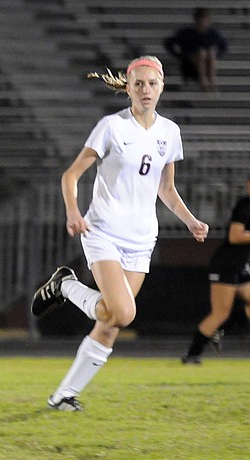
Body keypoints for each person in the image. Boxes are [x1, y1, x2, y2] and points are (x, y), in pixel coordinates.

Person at [30, 55, 209, 411]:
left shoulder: (169, 132)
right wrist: (73, 211)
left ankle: (63, 396)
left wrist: (190, 220)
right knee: (124, 313)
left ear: (162, 87)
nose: (145, 90)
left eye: (152, 84)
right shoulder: (111, 127)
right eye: (138, 84)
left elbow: (166, 189)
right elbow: (70, 175)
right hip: (104, 232)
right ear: (128, 88)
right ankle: (66, 286)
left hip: (141, 240)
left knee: (111, 322)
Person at [182, 166, 250, 364]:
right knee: (220, 313)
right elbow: (234, 236)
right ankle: (192, 354)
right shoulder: (244, 205)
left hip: (241, 267)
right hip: (226, 265)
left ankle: (219, 329)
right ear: (249, 183)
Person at [164, 7, 228, 92]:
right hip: (192, 60)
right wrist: (180, 56)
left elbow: (224, 46)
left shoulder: (213, 34)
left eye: (204, 21)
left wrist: (216, 54)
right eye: (200, 21)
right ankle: (203, 82)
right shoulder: (188, 34)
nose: (202, 23)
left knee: (210, 52)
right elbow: (169, 43)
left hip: (208, 60)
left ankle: (212, 82)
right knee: (201, 53)